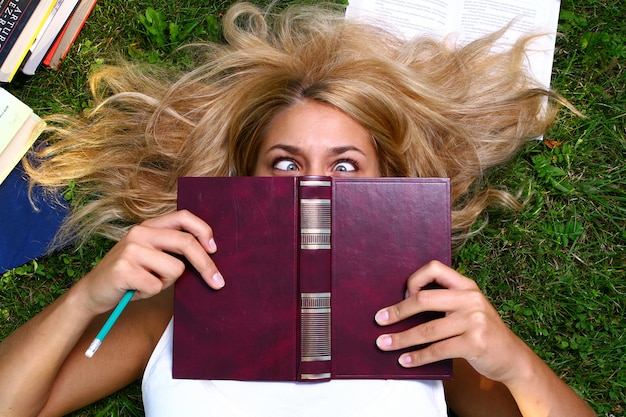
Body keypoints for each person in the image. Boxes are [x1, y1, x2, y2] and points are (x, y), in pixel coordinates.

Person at [0, 2, 594, 416]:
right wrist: (88, 296)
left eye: (344, 166)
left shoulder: (426, 315)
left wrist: (512, 361)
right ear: (244, 180)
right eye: (285, 163)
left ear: (386, 182)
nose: (314, 186)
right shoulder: (178, 303)